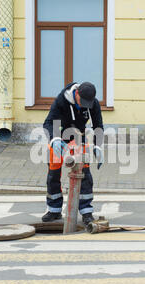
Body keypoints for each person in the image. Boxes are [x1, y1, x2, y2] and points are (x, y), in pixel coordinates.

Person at [42, 82, 104, 226]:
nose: (84, 105)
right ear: (76, 94)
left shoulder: (93, 103)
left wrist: (98, 146)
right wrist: (55, 139)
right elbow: (49, 122)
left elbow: (98, 126)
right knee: (53, 172)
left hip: (78, 137)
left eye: (87, 103)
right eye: (82, 102)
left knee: (85, 172)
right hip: (59, 138)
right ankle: (54, 209)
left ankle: (86, 211)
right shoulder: (61, 100)